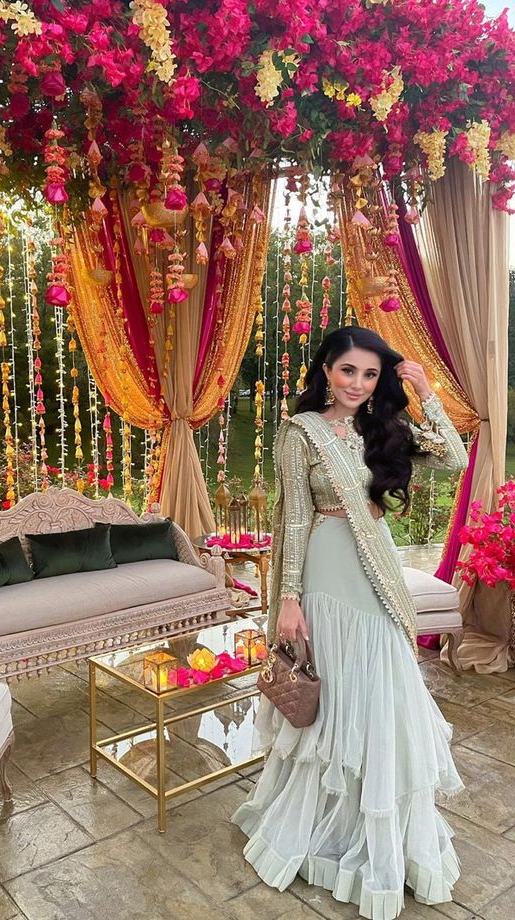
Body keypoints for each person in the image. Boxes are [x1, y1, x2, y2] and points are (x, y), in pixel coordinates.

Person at [232, 327, 469, 920]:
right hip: (326, 569)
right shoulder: (300, 431)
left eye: (369, 374)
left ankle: (381, 825)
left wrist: (423, 388)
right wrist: (289, 599)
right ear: (326, 370)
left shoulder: (382, 425)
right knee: (333, 690)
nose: (358, 385)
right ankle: (320, 825)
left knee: (384, 681)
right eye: (347, 372)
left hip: (377, 565)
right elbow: (292, 520)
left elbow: (457, 456)